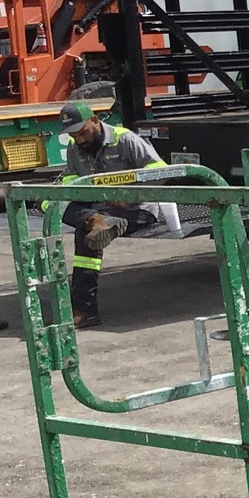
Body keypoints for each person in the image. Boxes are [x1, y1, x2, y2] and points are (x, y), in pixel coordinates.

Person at [57, 100, 166, 328]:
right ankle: (96, 220)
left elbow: (159, 171)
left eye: (82, 132)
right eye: (73, 136)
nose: (79, 140)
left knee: (85, 236)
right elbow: (70, 180)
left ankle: (83, 310)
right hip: (101, 209)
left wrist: (130, 194)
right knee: (50, 204)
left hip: (139, 209)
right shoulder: (75, 148)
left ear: (95, 121)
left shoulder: (125, 139)